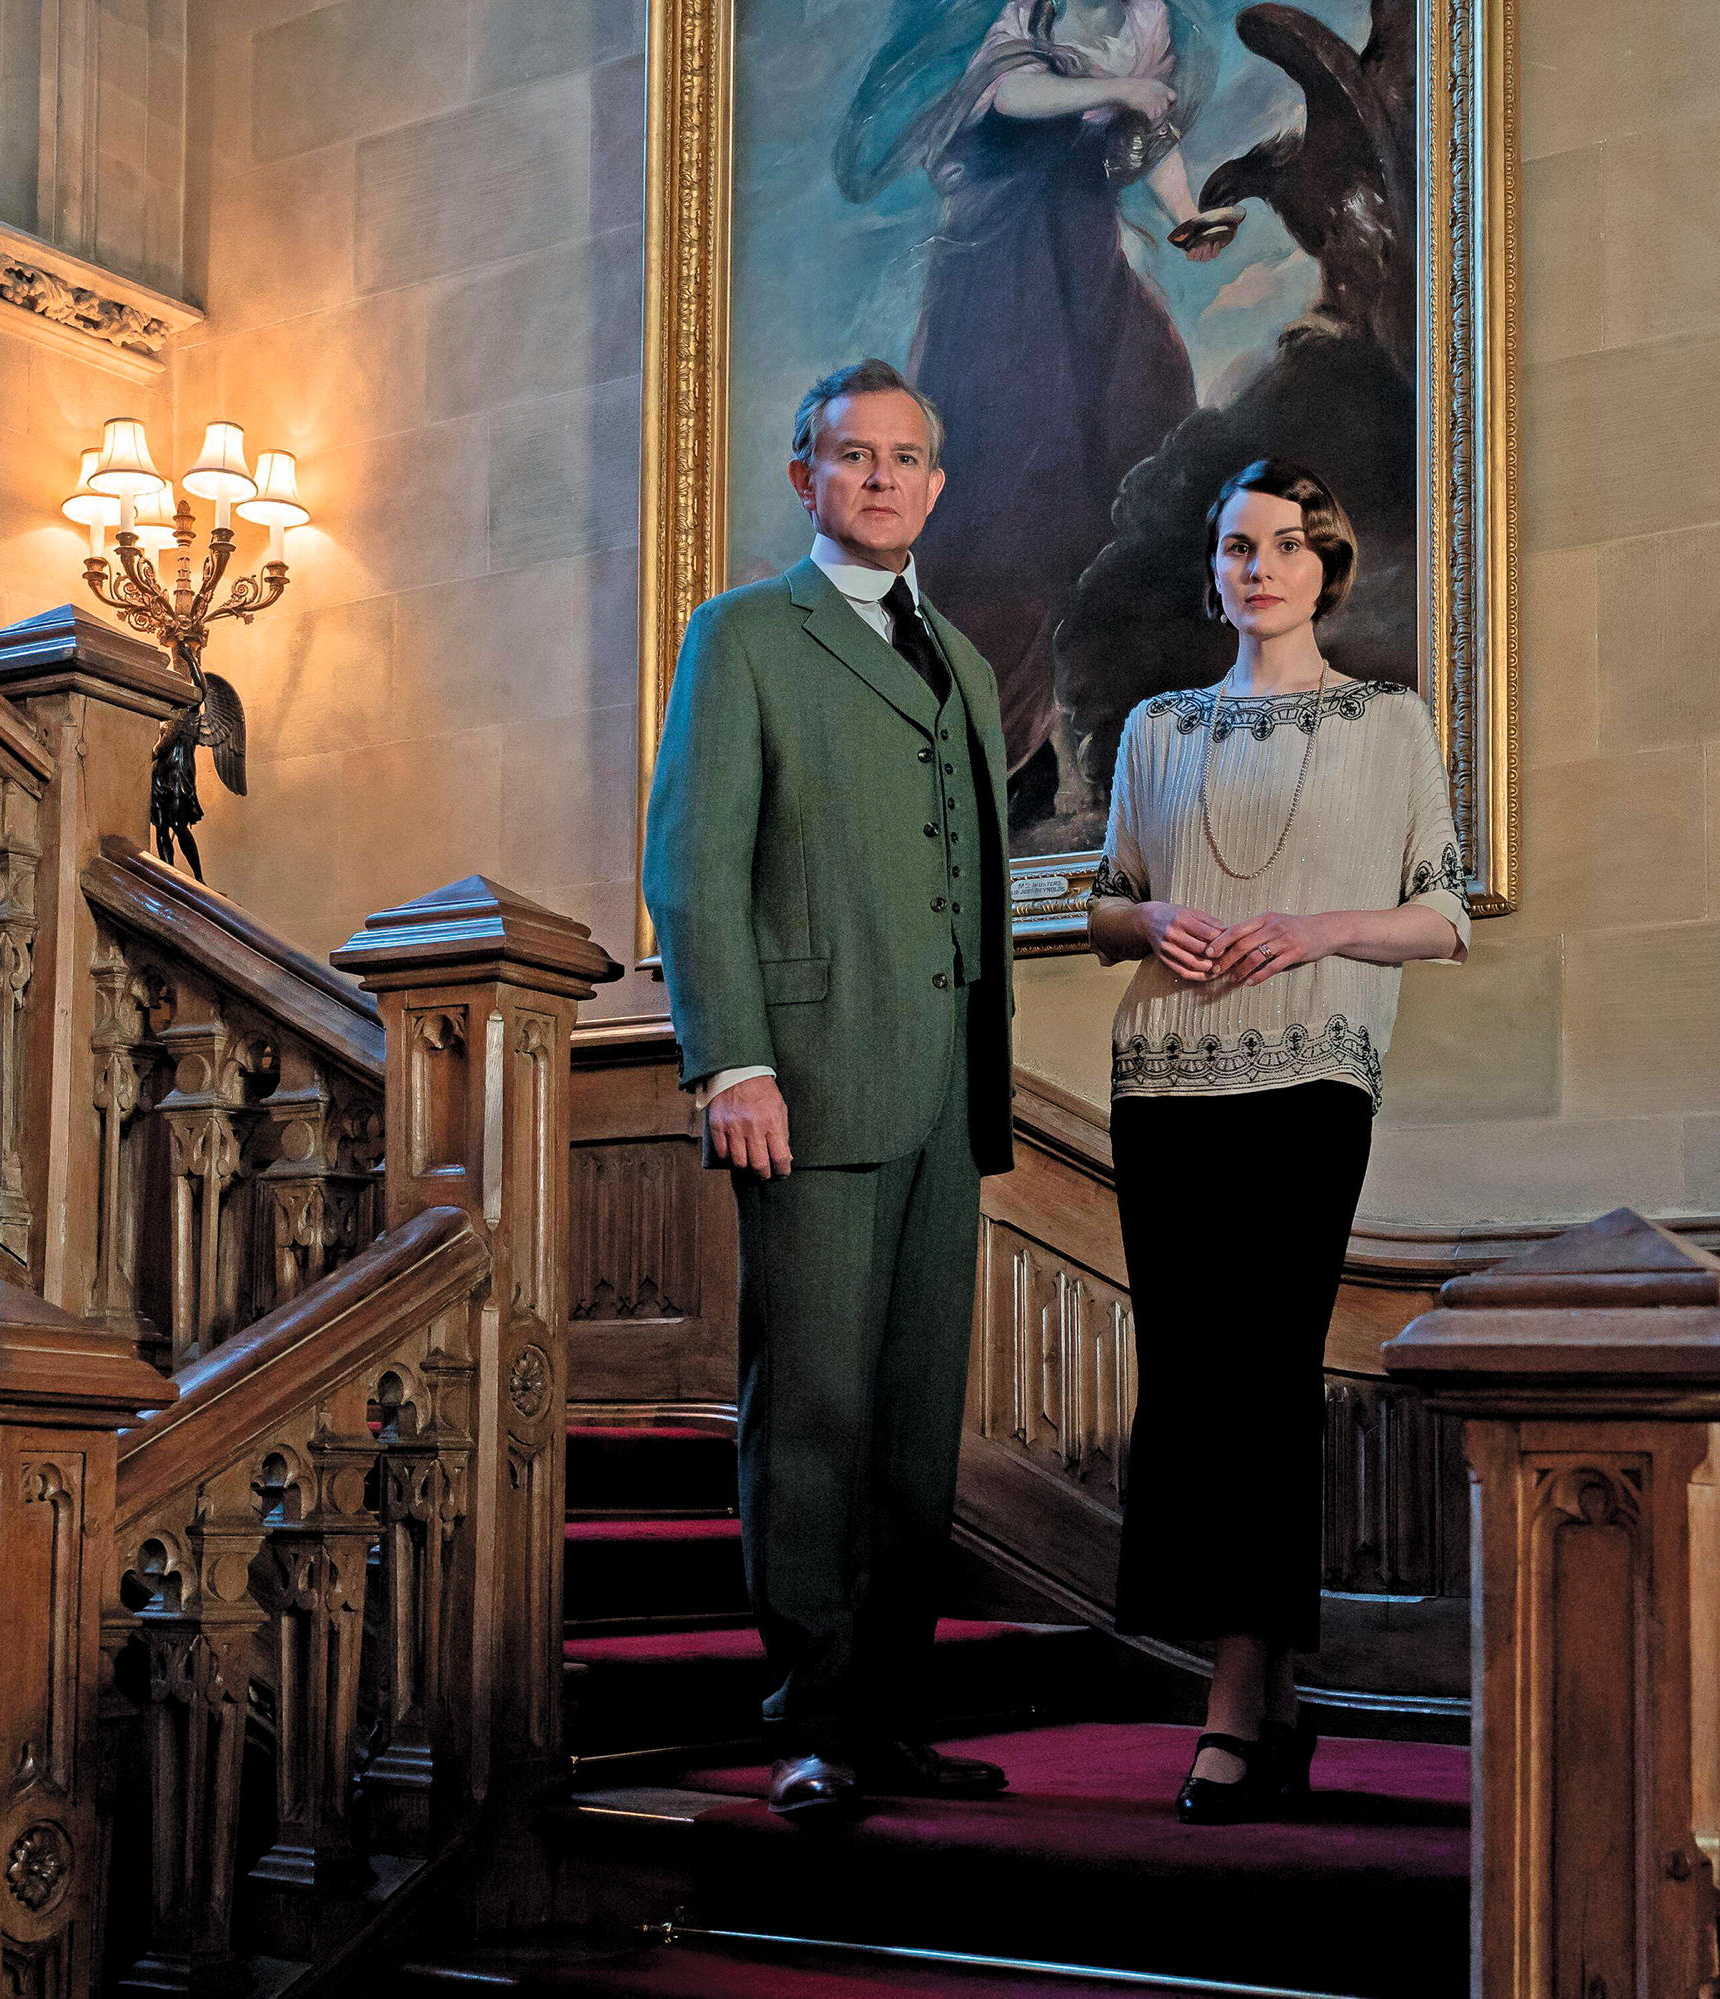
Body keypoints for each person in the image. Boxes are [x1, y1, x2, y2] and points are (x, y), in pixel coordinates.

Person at [644, 360, 1019, 1820]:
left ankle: (892, 1712)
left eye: (907, 458)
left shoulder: (971, 666)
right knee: (810, 1412)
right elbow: (695, 861)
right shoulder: (742, 636)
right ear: (804, 477)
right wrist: (731, 1057)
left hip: (944, 1098)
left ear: (935, 484)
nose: (881, 478)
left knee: (917, 1424)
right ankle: (808, 1715)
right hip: (802, 1078)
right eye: (851, 456)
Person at [1082, 460, 1466, 1823]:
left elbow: (1440, 914)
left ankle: (1231, 1706)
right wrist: (1154, 921)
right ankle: (1276, 1698)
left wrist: (1315, 928)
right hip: (1163, 1080)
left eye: (1287, 547)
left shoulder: (1388, 720)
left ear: (1327, 566)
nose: (1259, 568)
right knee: (1198, 1383)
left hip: (1311, 1073)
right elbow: (1109, 903)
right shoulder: (1158, 726)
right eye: (1237, 546)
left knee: (1261, 1373)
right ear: (1216, 569)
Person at [837, 0, 1235, 835]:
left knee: (1141, 424)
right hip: (1002, 279)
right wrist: (1126, 86)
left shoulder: (1145, 19)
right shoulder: (1022, 14)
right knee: (1013, 490)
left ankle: (1112, 722)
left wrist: (1187, 218)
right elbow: (1012, 93)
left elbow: (1147, 139)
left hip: (1083, 268)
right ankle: (1007, 745)